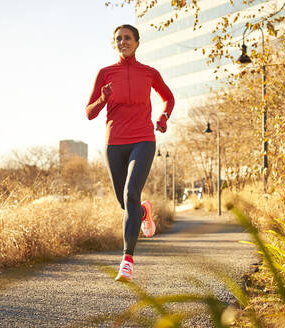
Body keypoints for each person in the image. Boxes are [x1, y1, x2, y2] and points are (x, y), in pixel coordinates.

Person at [85, 24, 175, 282]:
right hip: (114, 142)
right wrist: (103, 98)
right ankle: (144, 213)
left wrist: (164, 117)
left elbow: (168, 98)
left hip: (143, 139)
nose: (122, 42)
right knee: (126, 204)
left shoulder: (149, 73)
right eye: (118, 39)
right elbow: (89, 113)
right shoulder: (105, 73)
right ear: (114, 44)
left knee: (131, 193)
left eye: (127, 38)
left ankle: (127, 259)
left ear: (137, 42)